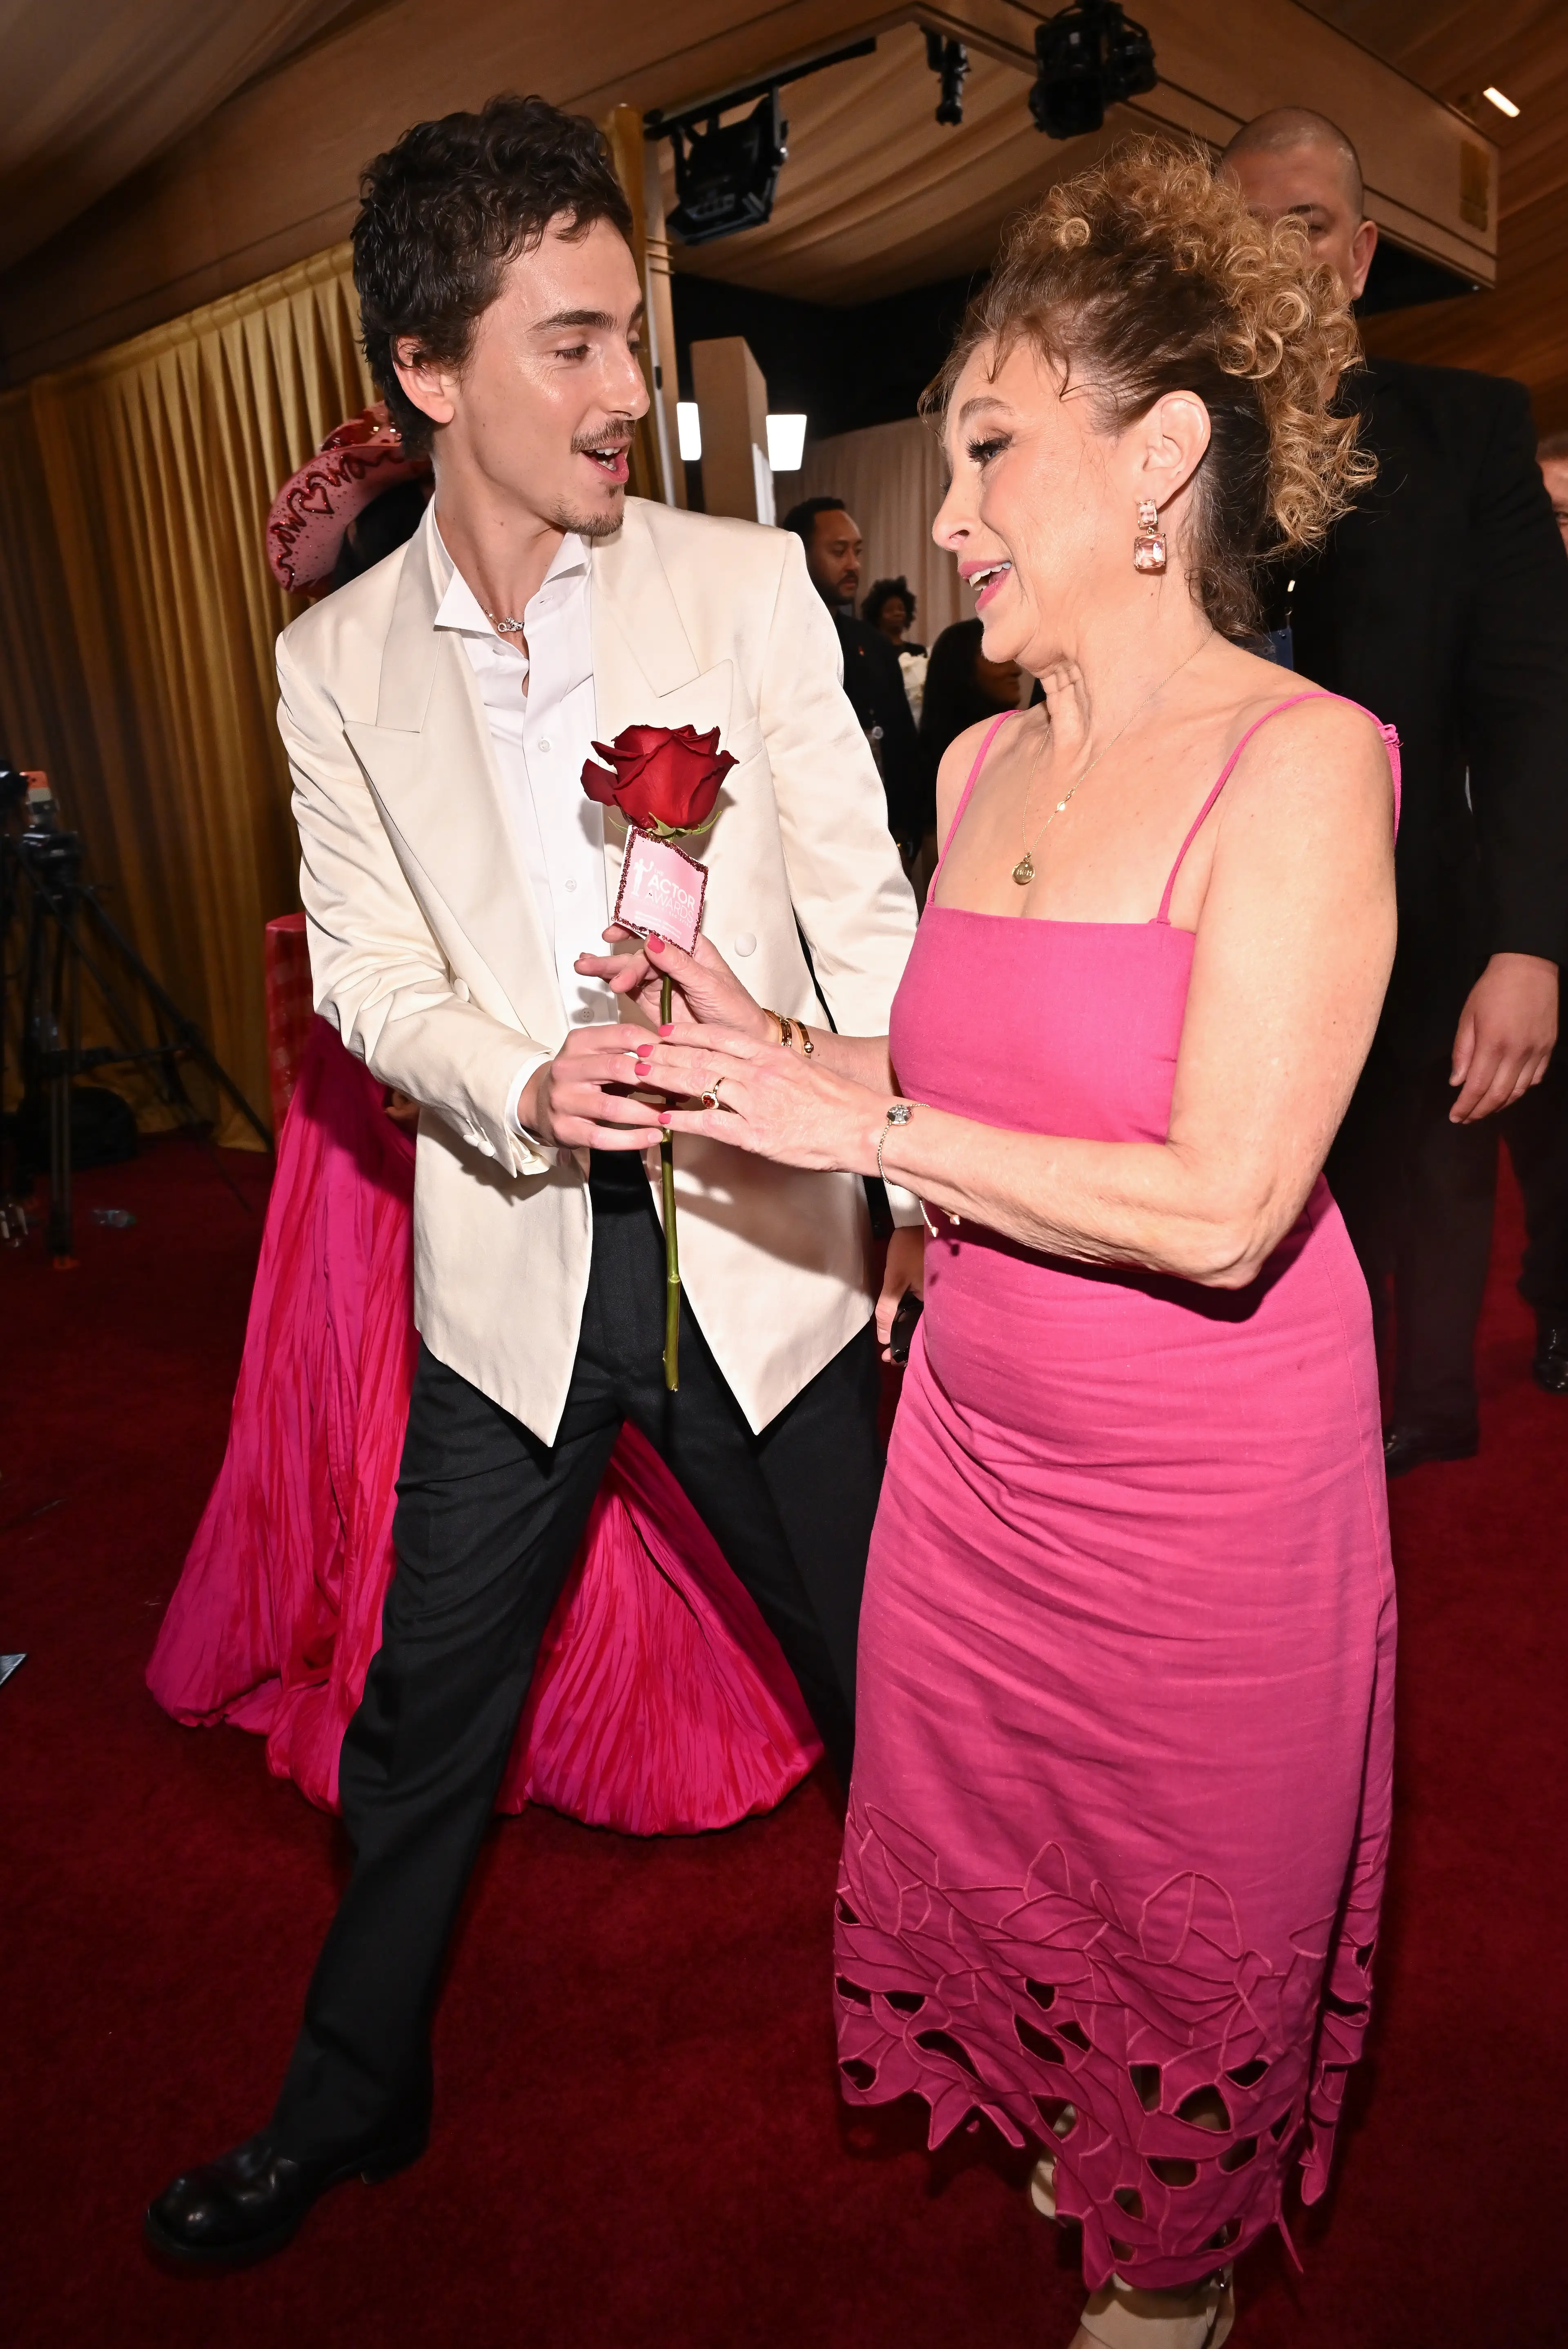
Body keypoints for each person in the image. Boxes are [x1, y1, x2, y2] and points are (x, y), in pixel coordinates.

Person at [630, 140, 1398, 2345]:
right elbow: (988, 1064)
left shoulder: (1304, 767)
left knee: (1185, 1914)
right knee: (1027, 1885)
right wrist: (771, 1034)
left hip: (1206, 1499)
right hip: (974, 1466)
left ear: (1162, 461)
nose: (946, 512)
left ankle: (1170, 2284)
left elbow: (1231, 1200)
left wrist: (860, 1119)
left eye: (988, 448)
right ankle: (1102, 2121)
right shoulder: (971, 765)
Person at [146, 91, 923, 2267]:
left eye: (630, 335)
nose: (627, 388)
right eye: (569, 343)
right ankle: (349, 2103)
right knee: (421, 1722)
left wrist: (909, 1165)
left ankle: (1018, 2050)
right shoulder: (328, 670)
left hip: (767, 1261)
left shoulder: (750, 584)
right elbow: (373, 983)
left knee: (889, 1684)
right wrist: (518, 1073)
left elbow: (870, 925)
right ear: (426, 372)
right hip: (509, 1276)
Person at [1226, 108, 1568, 1463]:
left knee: (1411, 1364)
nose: (1275, 251)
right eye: (1244, 226)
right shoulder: (1169, 445)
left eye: (1303, 221)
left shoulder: (1472, 431)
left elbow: (1538, 706)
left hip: (1425, 938)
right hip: (1217, 954)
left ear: (1359, 254)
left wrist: (1533, 945)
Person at [782, 495, 923, 857]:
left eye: (857, 552)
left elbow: (901, 742)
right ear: (801, 555)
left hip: (880, 831)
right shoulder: (777, 641)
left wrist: (906, 832)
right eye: (839, 551)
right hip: (811, 840)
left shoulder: (872, 643)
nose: (853, 565)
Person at [863, 574, 927, 654]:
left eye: (901, 609)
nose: (897, 613)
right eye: (889, 610)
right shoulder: (870, 652)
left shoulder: (918, 651)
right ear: (877, 617)